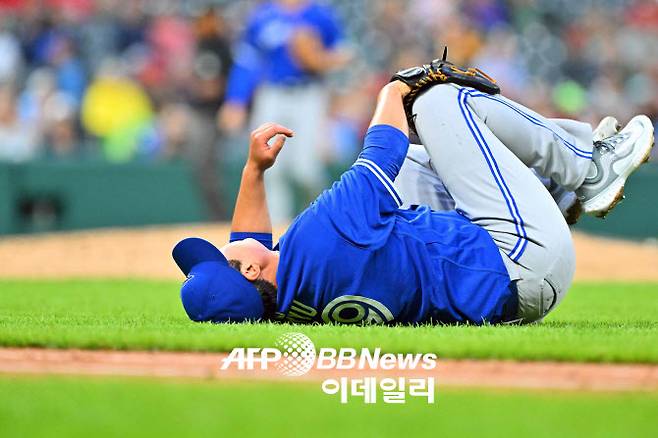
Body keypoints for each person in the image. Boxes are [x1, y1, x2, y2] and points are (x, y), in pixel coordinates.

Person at [173, 63, 654, 325]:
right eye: (222, 257)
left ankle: (552, 190)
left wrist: (254, 171)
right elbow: (383, 146)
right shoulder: (320, 238)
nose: (224, 245)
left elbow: (249, 245)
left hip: (504, 297)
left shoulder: (280, 303)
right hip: (520, 259)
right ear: (250, 270)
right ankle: (589, 168)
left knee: (409, 175)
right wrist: (396, 85)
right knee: (438, 101)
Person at [218, 0, 350, 224]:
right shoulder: (263, 15)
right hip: (272, 93)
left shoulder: (320, 13)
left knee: (305, 169)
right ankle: (278, 230)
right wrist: (236, 100)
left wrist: (319, 59)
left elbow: (345, 52)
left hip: (309, 94)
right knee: (271, 167)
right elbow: (247, 61)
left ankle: (322, 220)